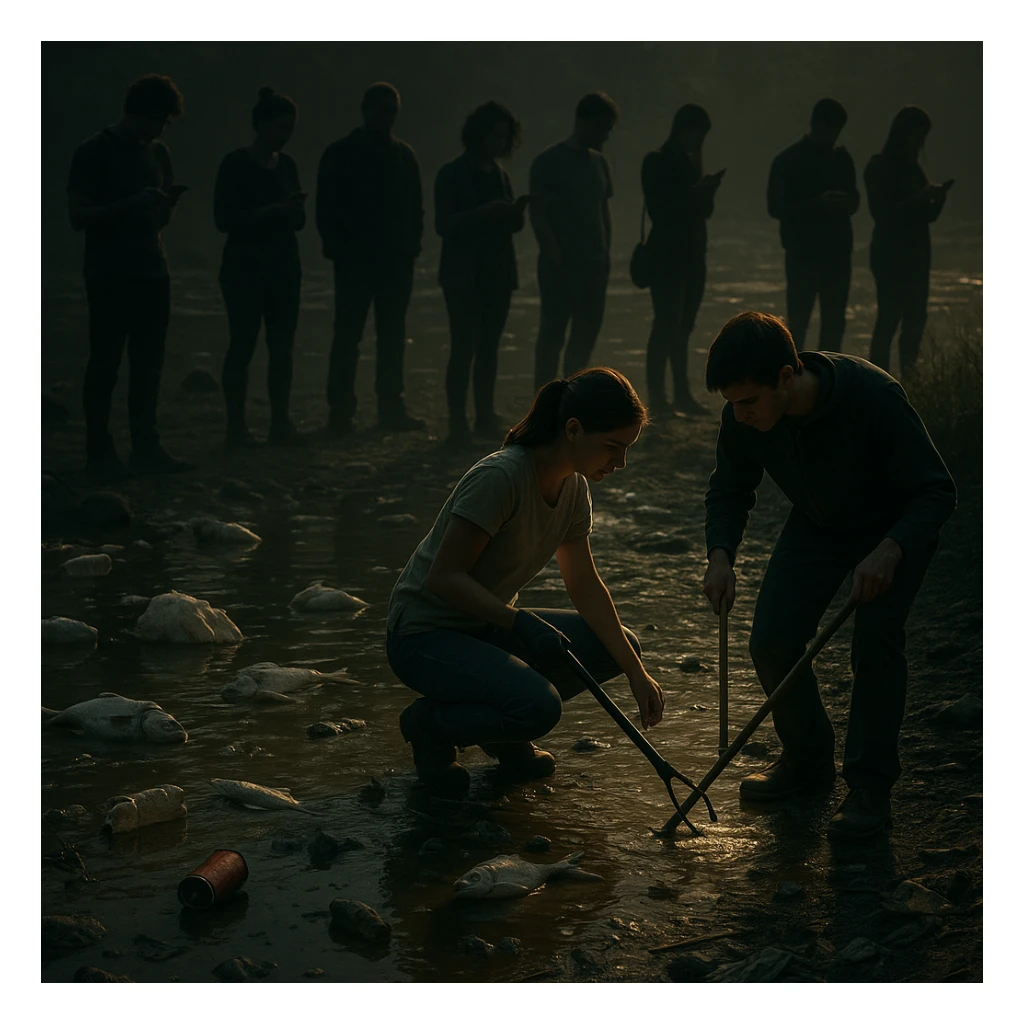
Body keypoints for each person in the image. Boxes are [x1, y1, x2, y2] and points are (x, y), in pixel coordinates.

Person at [701, 311, 956, 840]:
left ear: (787, 377)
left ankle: (869, 789)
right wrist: (720, 554)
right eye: (733, 404)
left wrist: (890, 550)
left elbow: (936, 491)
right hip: (818, 522)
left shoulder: (873, 396)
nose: (741, 415)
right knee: (771, 639)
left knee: (876, 641)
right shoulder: (742, 415)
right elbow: (730, 488)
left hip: (894, 526)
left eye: (749, 402)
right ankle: (807, 761)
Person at [386, 367, 666, 797]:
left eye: (626, 449)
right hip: (424, 636)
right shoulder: (501, 477)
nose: (620, 462)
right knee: (538, 706)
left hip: (485, 629)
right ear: (573, 430)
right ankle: (431, 727)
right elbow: (443, 579)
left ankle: (502, 732)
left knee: (615, 647)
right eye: (613, 447)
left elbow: (585, 584)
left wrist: (636, 673)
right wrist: (519, 623)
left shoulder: (574, 488)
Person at [67, 74, 194, 481]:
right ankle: (99, 452)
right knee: (105, 363)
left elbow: (157, 222)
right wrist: (130, 205)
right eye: (158, 120)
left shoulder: (159, 152)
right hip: (108, 272)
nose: (160, 129)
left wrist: (166, 205)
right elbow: (78, 217)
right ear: (136, 112)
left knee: (149, 363)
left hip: (153, 270)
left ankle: (146, 446)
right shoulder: (94, 151)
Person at [316, 82, 425, 435]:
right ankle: (341, 413)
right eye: (382, 110)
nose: (387, 117)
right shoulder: (341, 154)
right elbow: (326, 208)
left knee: (390, 337)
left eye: (392, 111)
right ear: (365, 110)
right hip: (356, 262)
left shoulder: (404, 156)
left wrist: (411, 248)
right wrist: (337, 249)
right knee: (349, 336)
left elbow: (416, 208)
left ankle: (389, 409)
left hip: (394, 262)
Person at [213, 87, 306, 449]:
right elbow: (224, 219)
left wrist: (293, 210)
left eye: (290, 128)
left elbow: (297, 221)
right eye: (282, 128)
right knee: (243, 344)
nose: (287, 135)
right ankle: (236, 427)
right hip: (245, 269)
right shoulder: (235, 164)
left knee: (281, 347)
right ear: (263, 125)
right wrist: (274, 210)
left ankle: (279, 423)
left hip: (284, 268)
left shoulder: (288, 165)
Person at [434, 101, 529, 448]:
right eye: (495, 136)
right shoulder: (452, 173)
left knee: (489, 347)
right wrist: (485, 213)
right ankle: (457, 423)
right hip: (463, 274)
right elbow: (444, 224)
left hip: (498, 273)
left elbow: (509, 226)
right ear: (478, 135)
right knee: (464, 347)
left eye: (505, 137)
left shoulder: (500, 174)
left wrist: (514, 213)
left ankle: (484, 415)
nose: (501, 143)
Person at [529, 93, 618, 391]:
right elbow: (538, 212)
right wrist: (553, 254)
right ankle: (542, 399)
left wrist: (606, 253)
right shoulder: (548, 161)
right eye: (601, 128)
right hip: (561, 266)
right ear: (582, 121)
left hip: (594, 265)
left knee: (585, 335)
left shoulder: (600, 163)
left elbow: (604, 210)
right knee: (552, 335)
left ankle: (572, 395)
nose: (605, 135)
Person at [641, 103, 724, 418]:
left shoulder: (690, 163)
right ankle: (659, 397)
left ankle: (679, 393)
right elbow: (660, 211)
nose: (700, 141)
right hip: (667, 255)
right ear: (682, 129)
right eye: (697, 134)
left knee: (684, 326)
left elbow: (704, 212)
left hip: (693, 254)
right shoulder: (657, 162)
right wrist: (695, 192)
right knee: (666, 324)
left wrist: (707, 191)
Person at [864, 105, 953, 376]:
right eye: (917, 136)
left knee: (915, 319)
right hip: (890, 255)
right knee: (889, 318)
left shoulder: (915, 169)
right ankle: (879, 379)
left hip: (917, 255)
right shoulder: (878, 166)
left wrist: (939, 199)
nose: (920, 143)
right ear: (902, 135)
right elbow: (882, 214)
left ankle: (910, 379)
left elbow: (927, 216)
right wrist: (918, 199)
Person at [767, 98, 859, 352]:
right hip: (803, 253)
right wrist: (817, 204)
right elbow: (775, 207)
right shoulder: (788, 161)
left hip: (837, 253)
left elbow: (855, 201)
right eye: (830, 129)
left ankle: (827, 381)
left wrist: (843, 203)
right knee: (798, 323)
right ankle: (794, 380)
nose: (833, 135)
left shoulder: (841, 159)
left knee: (834, 323)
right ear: (816, 124)